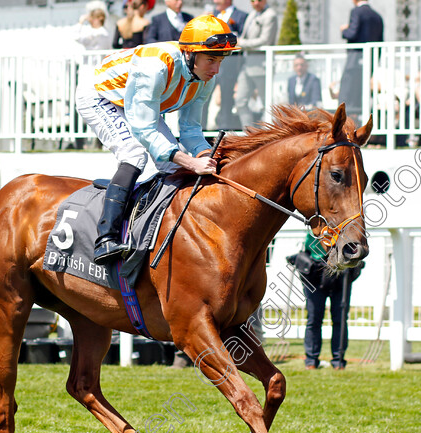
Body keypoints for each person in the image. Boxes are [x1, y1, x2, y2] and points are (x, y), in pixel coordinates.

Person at [77, 15, 239, 265]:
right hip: (101, 96)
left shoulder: (205, 78)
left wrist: (205, 157)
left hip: (137, 105)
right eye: (211, 60)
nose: (216, 69)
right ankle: (105, 238)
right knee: (134, 154)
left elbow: (191, 130)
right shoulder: (157, 65)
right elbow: (143, 127)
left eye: (220, 61)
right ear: (190, 53)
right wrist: (189, 161)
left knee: (173, 166)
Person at [295, 234, 362, 370]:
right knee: (314, 318)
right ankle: (311, 360)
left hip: (342, 270)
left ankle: (338, 361)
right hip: (315, 271)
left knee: (340, 318)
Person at [235, 0, 279, 128]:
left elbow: (265, 40)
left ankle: (269, 133)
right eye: (252, 1)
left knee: (267, 103)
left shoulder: (270, 15)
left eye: (259, 0)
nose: (255, 3)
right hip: (247, 65)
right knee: (240, 101)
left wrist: (241, 43)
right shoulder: (252, 14)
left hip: (262, 66)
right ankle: (249, 134)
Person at [338, 0, 384, 120]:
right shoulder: (377, 16)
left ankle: (344, 126)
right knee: (360, 95)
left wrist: (344, 30)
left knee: (347, 94)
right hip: (369, 62)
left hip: (355, 60)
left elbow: (352, 34)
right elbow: (380, 42)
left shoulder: (357, 12)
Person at [212, 0, 248, 130]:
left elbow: (241, 38)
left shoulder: (241, 16)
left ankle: (224, 129)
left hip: (229, 63)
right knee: (204, 95)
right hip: (211, 61)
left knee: (226, 97)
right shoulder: (212, 14)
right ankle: (200, 129)